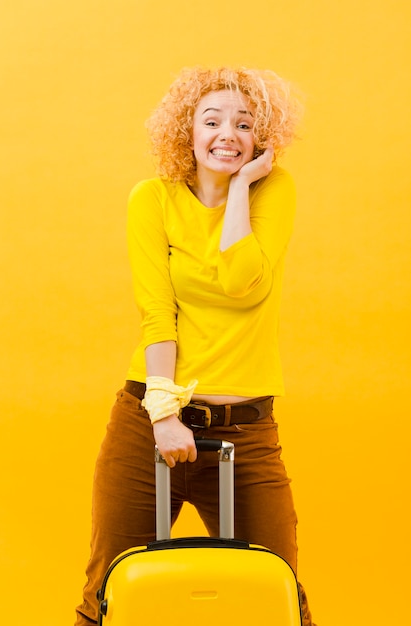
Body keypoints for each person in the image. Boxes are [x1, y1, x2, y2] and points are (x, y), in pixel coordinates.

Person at [74, 66, 315, 626]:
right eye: (211, 121)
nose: (226, 133)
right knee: (106, 591)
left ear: (261, 140)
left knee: (280, 596)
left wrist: (236, 191)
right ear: (187, 131)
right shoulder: (151, 199)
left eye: (244, 123)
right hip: (150, 420)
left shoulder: (273, 190)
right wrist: (162, 413)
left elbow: (242, 280)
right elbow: (158, 313)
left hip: (246, 430)